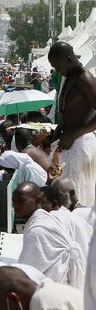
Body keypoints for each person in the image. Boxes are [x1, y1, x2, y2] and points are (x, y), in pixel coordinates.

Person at [47, 41, 96, 207]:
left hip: (81, 144)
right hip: (67, 142)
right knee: (62, 194)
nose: (56, 70)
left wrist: (74, 134)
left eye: (58, 66)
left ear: (68, 58)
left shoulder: (86, 79)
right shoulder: (67, 78)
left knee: (78, 196)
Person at [13, 182, 77, 286]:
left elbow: (25, 274)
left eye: (22, 201)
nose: (16, 206)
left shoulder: (38, 230)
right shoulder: (41, 220)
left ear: (38, 201)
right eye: (14, 201)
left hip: (53, 292)